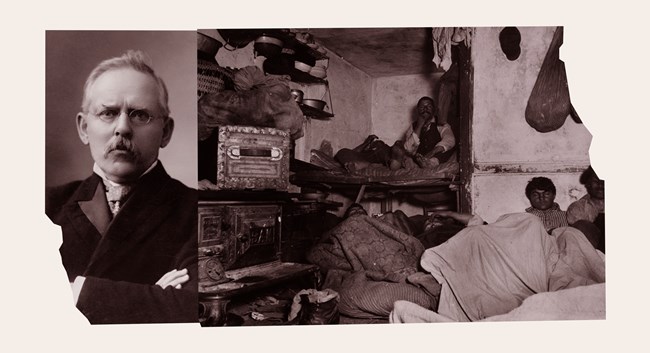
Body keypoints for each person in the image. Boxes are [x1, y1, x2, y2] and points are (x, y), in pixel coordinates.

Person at [45, 50, 198, 324]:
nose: (123, 128)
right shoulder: (45, 206)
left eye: (140, 115)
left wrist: (69, 292)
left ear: (166, 132)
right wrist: (153, 297)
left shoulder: (195, 211)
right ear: (83, 128)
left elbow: (194, 308)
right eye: (108, 113)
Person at [402, 96, 456, 168]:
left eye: (429, 106)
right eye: (422, 107)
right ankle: (417, 164)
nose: (425, 109)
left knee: (448, 148)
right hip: (421, 157)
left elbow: (449, 140)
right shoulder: (413, 126)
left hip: (436, 155)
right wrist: (419, 126)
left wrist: (433, 152)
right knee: (405, 152)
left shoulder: (440, 123)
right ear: (418, 110)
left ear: (434, 110)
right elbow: (408, 148)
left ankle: (431, 163)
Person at [567, 166, 605, 253]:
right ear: (588, 184)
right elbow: (583, 235)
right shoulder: (577, 208)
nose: (600, 185)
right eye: (596, 181)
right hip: (592, 253)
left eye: (604, 180)